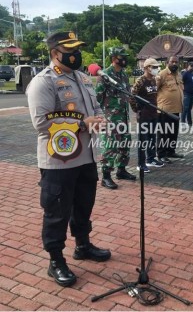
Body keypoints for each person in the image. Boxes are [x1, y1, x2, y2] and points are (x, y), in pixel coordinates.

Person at [26, 31, 111, 288]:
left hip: (86, 155)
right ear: (55, 53)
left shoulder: (83, 78)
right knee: (57, 211)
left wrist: (99, 119)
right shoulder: (44, 81)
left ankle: (83, 245)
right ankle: (55, 261)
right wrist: (82, 123)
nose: (76, 54)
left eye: (77, 49)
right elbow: (41, 123)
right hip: (58, 161)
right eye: (70, 50)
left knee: (84, 204)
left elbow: (94, 108)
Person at [95, 47, 136, 190]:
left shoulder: (124, 75)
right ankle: (106, 176)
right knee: (110, 146)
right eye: (121, 57)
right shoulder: (105, 75)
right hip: (110, 119)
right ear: (114, 59)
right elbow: (97, 99)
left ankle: (121, 170)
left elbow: (127, 95)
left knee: (125, 144)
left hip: (123, 117)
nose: (124, 59)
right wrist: (101, 117)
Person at [130, 58, 164, 173]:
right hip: (144, 115)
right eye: (153, 67)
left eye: (156, 67)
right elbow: (132, 96)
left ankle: (151, 158)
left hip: (153, 114)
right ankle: (141, 163)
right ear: (146, 68)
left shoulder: (154, 80)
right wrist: (137, 111)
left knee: (152, 138)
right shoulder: (141, 81)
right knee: (143, 140)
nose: (156, 69)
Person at [156, 56, 184, 163]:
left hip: (176, 109)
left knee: (173, 132)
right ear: (167, 62)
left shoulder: (178, 75)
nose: (174, 63)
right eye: (172, 61)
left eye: (176, 62)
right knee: (163, 133)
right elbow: (154, 90)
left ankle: (170, 151)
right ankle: (161, 154)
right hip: (164, 110)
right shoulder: (162, 74)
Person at [181, 62, 193, 126]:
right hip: (186, 93)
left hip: (192, 93)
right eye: (191, 66)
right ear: (188, 66)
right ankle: (183, 121)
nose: (192, 67)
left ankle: (189, 122)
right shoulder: (185, 74)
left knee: (189, 108)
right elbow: (181, 82)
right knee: (185, 108)